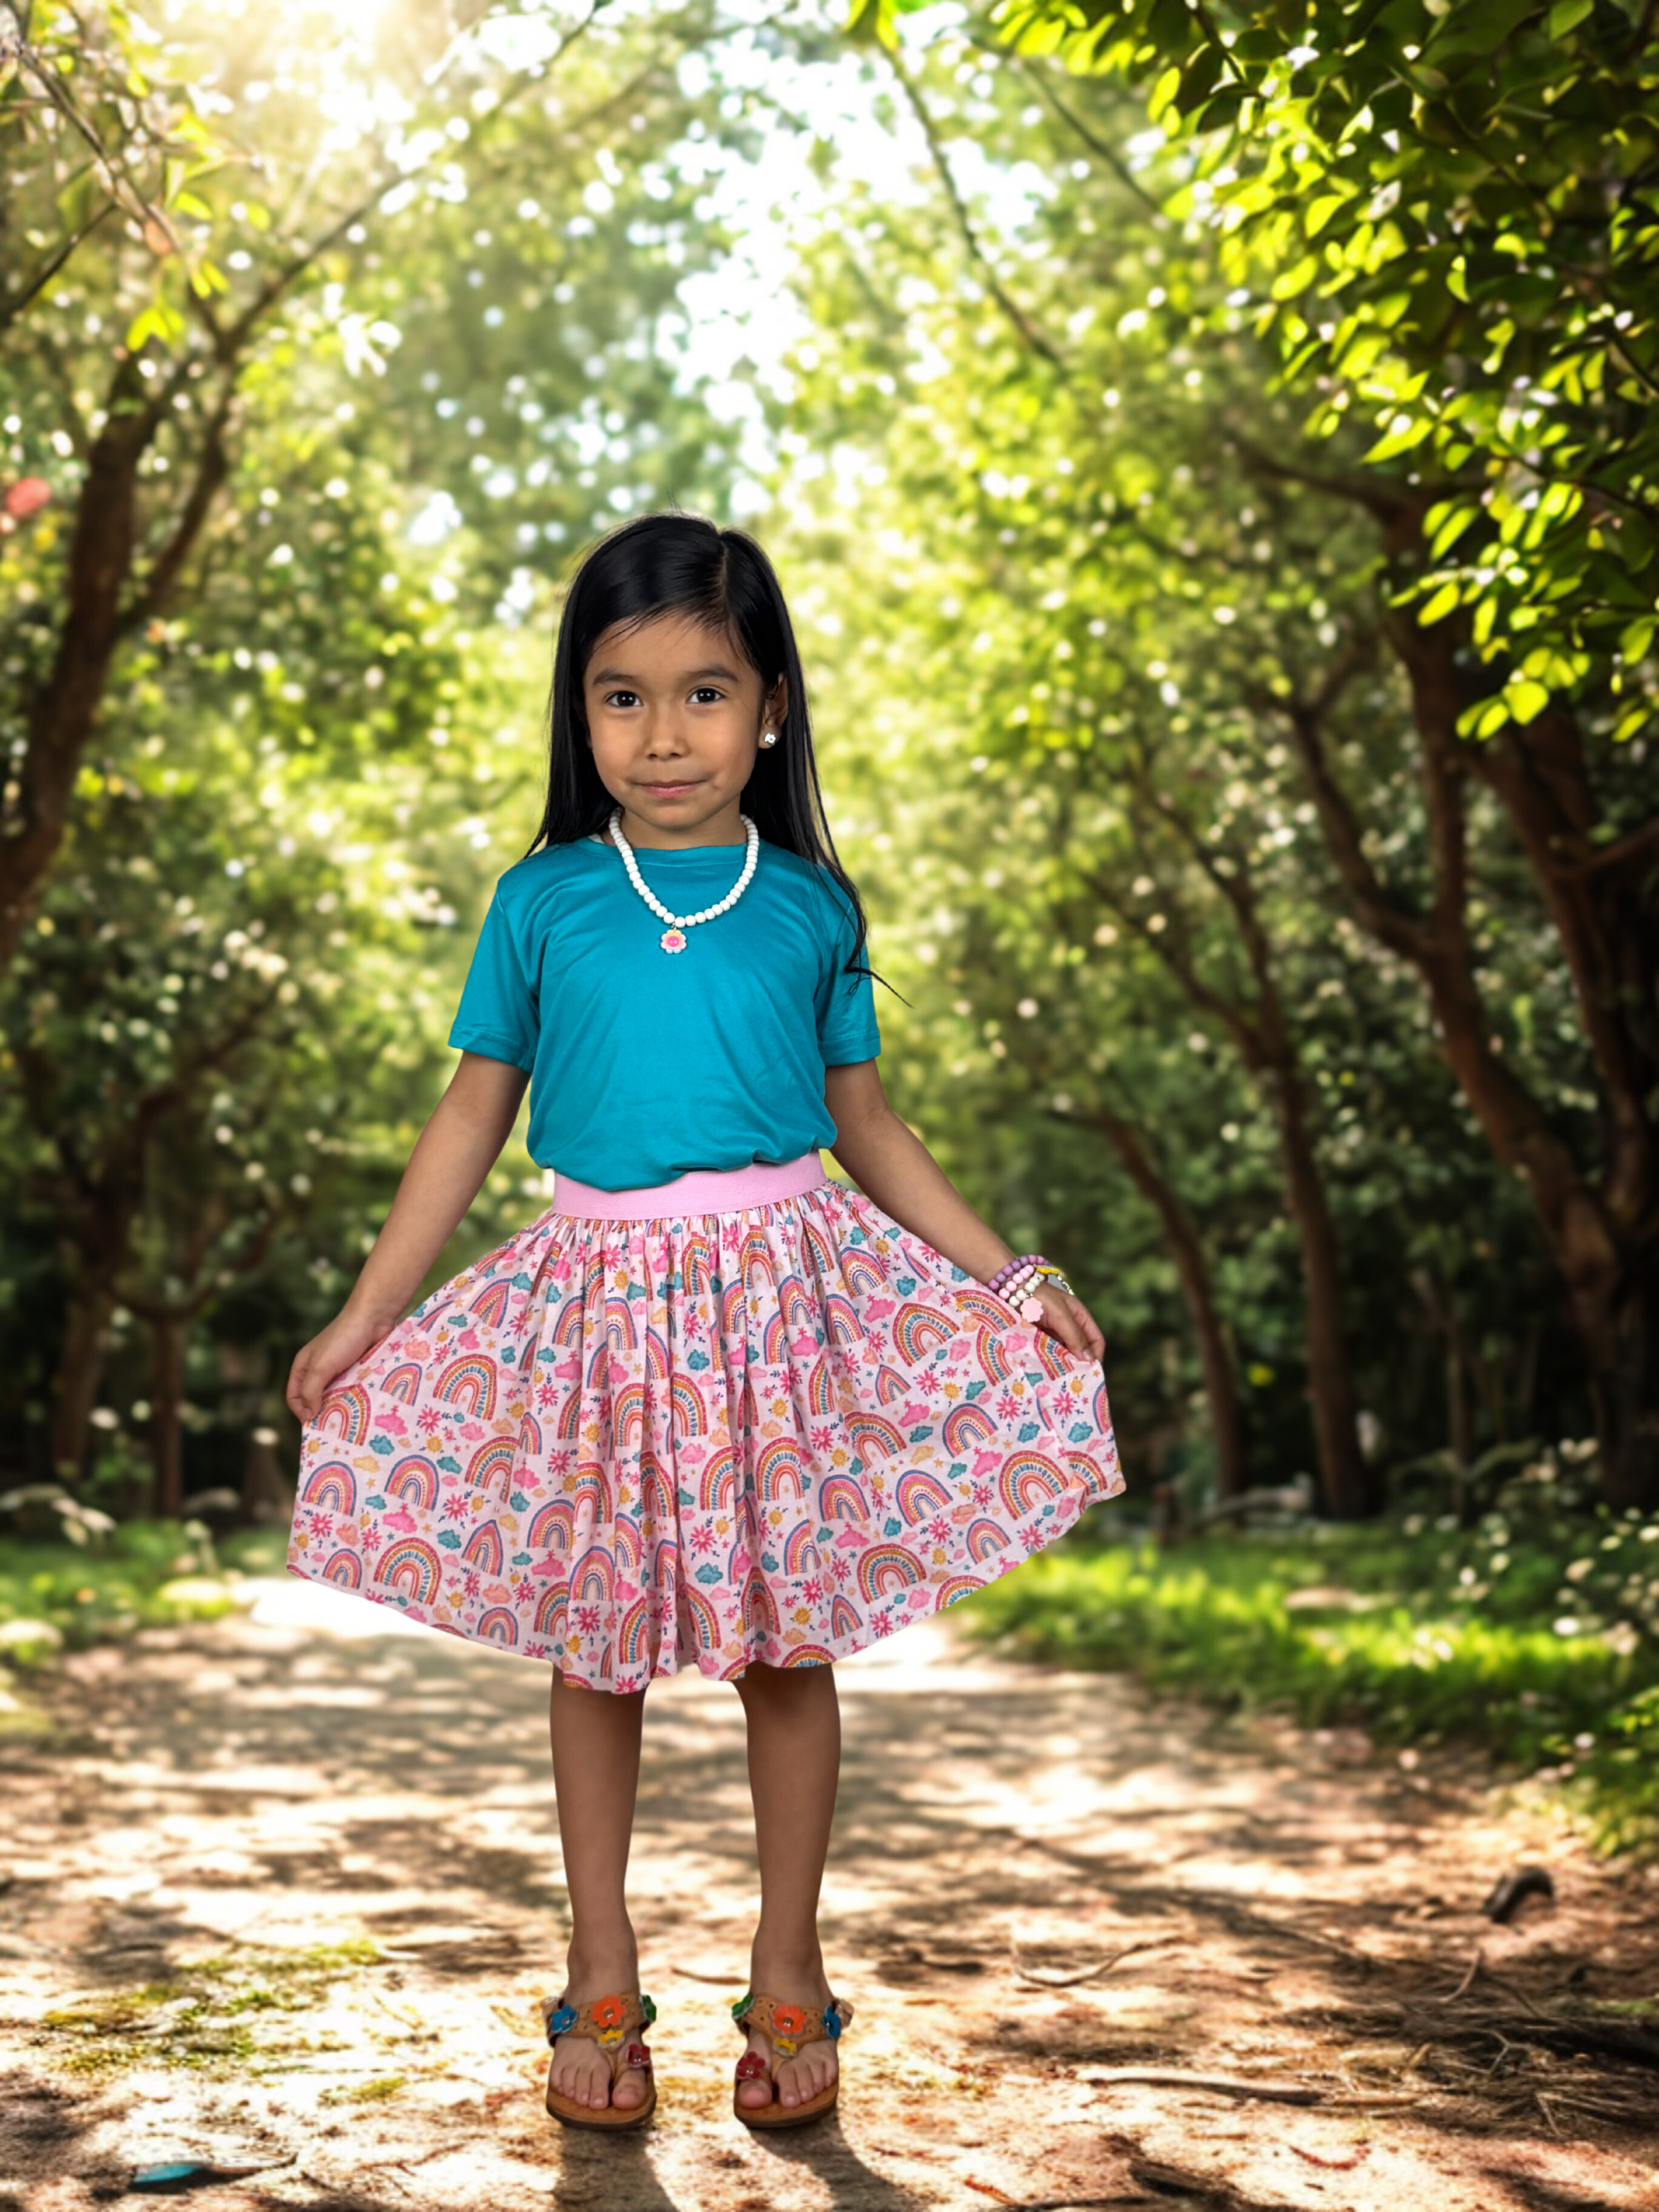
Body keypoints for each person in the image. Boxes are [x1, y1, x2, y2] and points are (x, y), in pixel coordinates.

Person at [284, 511, 1124, 2134]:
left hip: (782, 1311)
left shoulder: (810, 906)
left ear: (772, 707)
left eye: (704, 692)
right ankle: (601, 1966)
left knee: (781, 1643)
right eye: (621, 697)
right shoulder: (541, 903)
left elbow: (867, 1125)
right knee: (595, 1649)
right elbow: (467, 1123)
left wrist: (1009, 1278)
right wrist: (364, 1312)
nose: (663, 735)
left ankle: (787, 1962)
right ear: (576, 710)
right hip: (596, 1313)